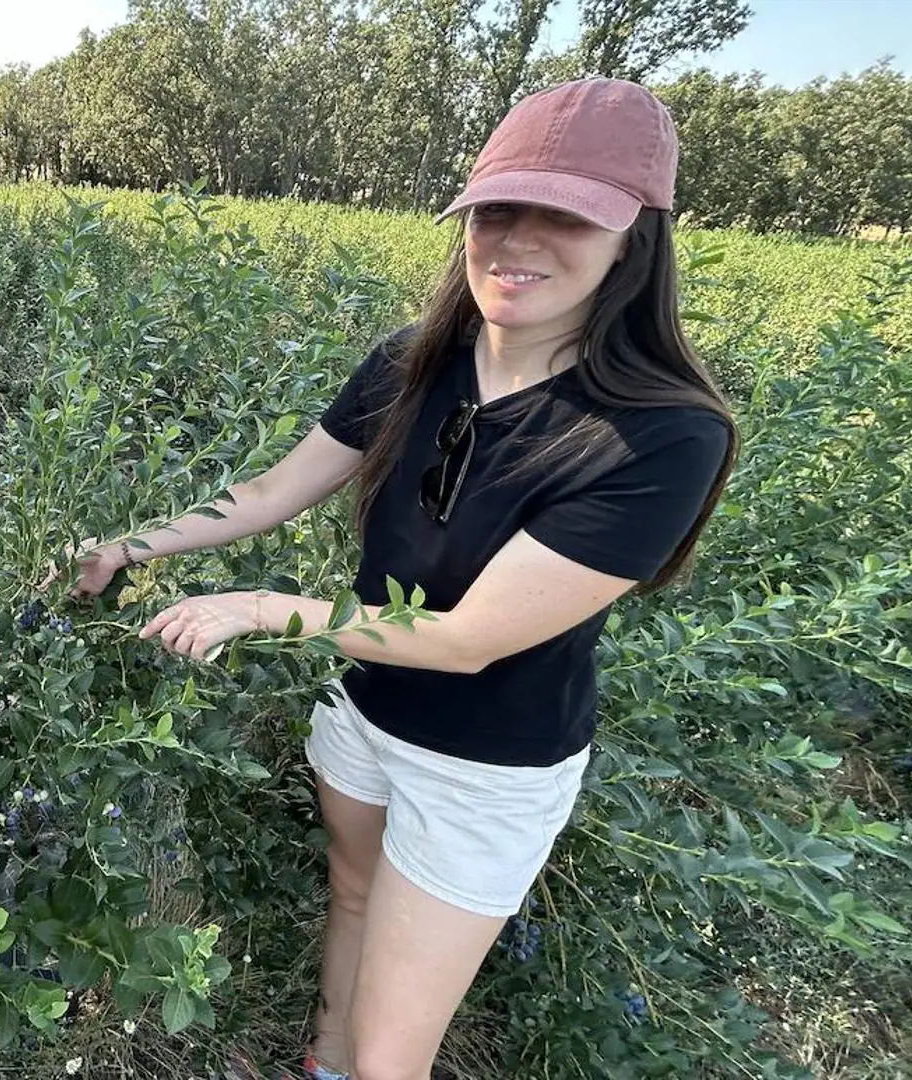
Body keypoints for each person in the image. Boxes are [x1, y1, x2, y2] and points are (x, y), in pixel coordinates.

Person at [69, 79, 736, 1080]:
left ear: (633, 238)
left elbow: (467, 638)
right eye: (494, 210)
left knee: (395, 1058)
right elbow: (274, 490)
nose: (515, 241)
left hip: (484, 769)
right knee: (349, 895)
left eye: (562, 215)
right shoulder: (415, 361)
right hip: (365, 708)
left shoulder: (658, 432)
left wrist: (257, 608)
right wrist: (129, 545)